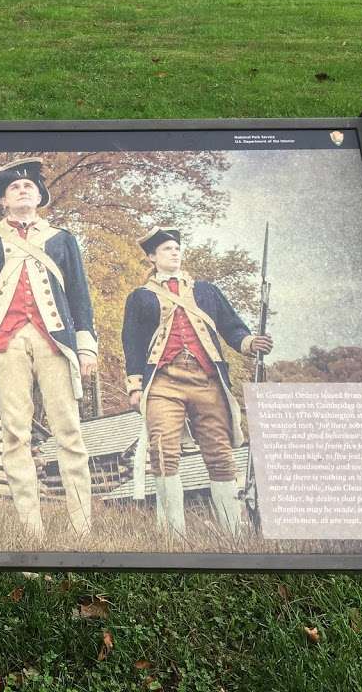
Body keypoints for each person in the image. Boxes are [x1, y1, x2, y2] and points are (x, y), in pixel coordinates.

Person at [0, 157, 98, 537]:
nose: (22, 190)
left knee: (68, 429)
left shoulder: (62, 238)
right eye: (14, 187)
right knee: (15, 433)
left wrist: (86, 346)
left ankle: (81, 525)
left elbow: (81, 296)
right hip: (5, 339)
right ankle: (30, 527)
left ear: (39, 198)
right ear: (3, 201)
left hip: (54, 339)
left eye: (29, 187)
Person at [121, 227, 273, 537]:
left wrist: (249, 343)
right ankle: (173, 535)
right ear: (152, 257)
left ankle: (234, 534)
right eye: (166, 249)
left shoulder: (206, 291)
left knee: (219, 451)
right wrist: (135, 386)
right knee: (162, 448)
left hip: (206, 378)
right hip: (163, 380)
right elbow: (132, 343)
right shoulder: (141, 297)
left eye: (176, 247)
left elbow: (232, 327)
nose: (174, 252)